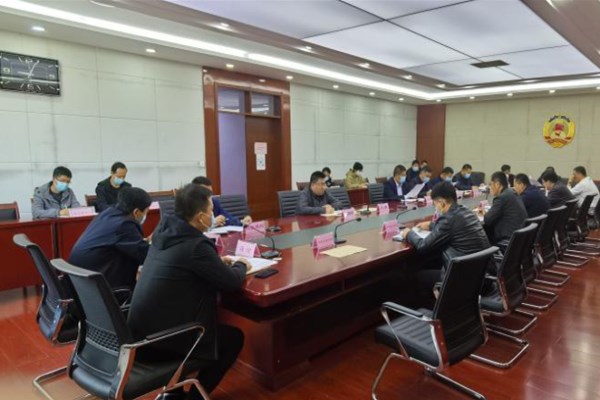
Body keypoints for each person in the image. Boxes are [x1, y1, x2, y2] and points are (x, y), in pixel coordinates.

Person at [128, 184, 251, 399]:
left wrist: (214, 263)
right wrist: (241, 264)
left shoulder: (164, 232)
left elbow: (185, 265)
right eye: (211, 210)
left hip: (140, 336)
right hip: (165, 342)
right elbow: (231, 282)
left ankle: (174, 392)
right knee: (233, 339)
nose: (213, 214)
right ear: (201, 217)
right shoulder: (196, 245)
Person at [398, 182, 490, 296]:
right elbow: (453, 227)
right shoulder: (466, 212)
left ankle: (435, 306)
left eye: (435, 204)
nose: (435, 208)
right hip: (483, 276)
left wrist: (408, 233)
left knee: (417, 276)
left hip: (466, 281)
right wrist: (432, 225)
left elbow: (423, 246)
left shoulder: (448, 219)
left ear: (442, 202)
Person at [68, 187, 151, 290]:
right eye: (146, 211)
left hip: (80, 280)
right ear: (136, 212)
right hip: (98, 287)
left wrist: (143, 243)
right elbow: (146, 255)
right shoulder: (124, 224)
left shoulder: (108, 213)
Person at [482, 172, 527, 249]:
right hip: (520, 237)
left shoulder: (501, 198)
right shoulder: (512, 192)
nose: (490, 187)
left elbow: (487, 220)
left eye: (491, 184)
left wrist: (485, 213)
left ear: (497, 184)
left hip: (508, 239)